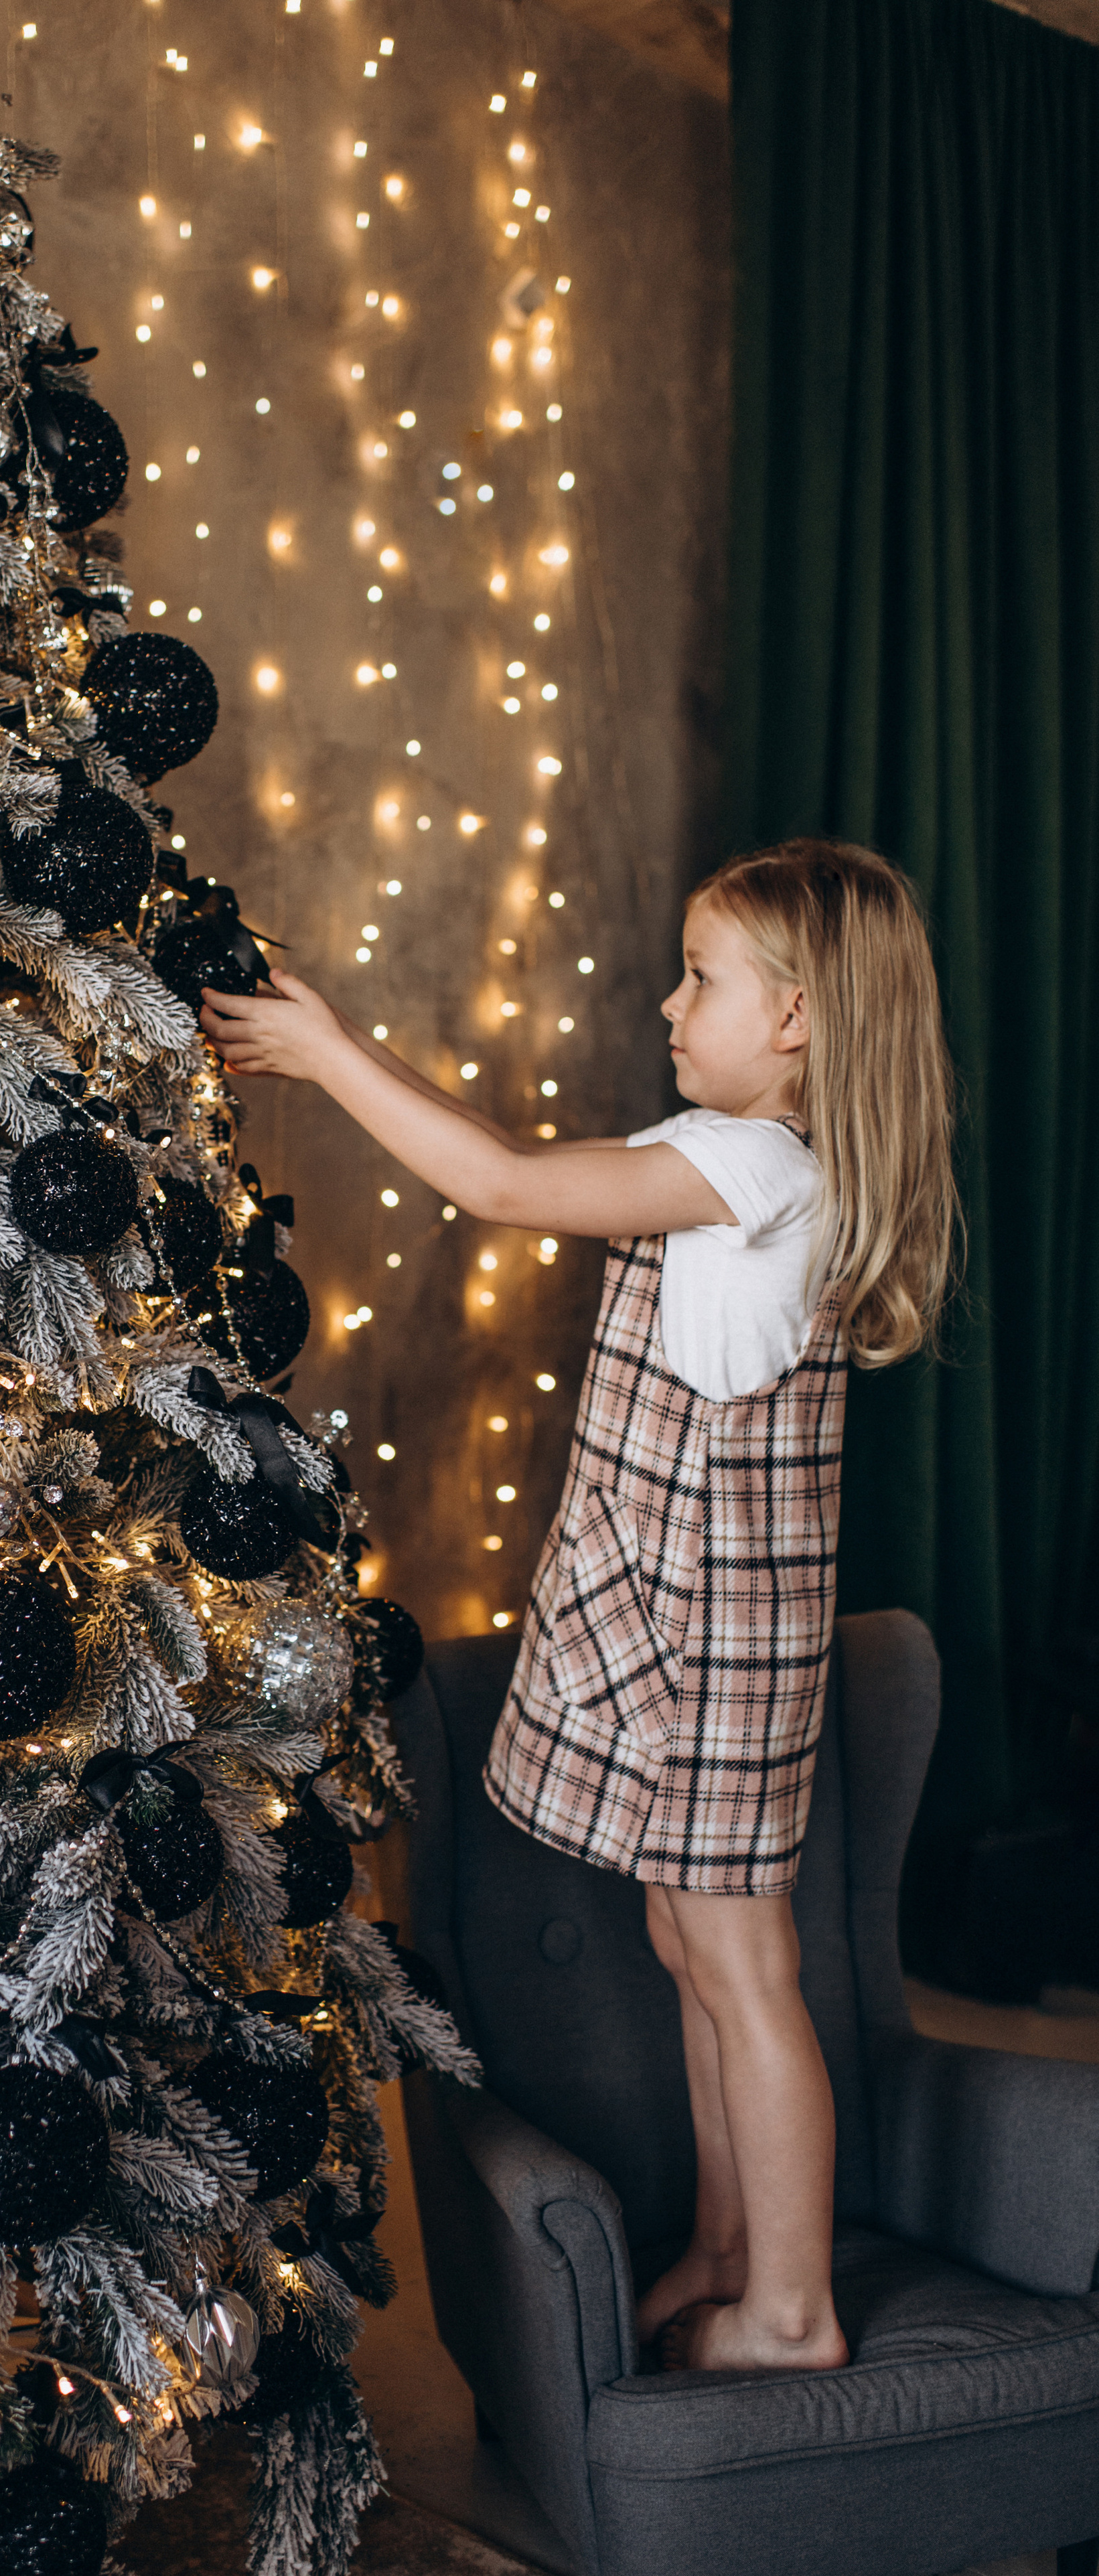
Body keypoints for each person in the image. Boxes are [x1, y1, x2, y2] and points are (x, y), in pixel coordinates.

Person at [200, 839, 957, 2375]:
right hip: (701, 1624)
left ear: (798, 1018)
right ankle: (731, 2248)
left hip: (711, 1640)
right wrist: (347, 1034)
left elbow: (494, 1182)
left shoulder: (752, 1170)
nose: (667, 1004)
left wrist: (328, 1054)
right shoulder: (736, 1158)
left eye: (701, 978)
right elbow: (498, 1143)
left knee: (743, 1969)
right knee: (690, 1944)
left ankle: (791, 2312)